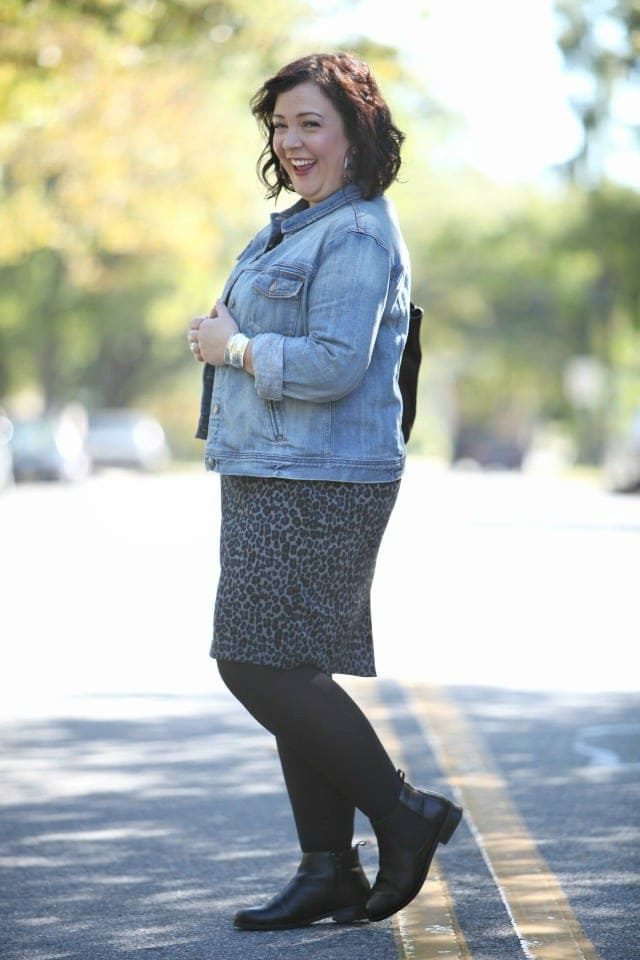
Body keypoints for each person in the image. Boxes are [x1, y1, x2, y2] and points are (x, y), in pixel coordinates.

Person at [187, 52, 462, 931]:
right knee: (290, 665)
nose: (292, 140)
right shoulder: (300, 226)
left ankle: (403, 813)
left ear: (356, 132)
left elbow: (339, 365)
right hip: (274, 469)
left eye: (311, 123)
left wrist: (233, 349)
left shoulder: (355, 233)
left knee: (258, 662)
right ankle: (327, 870)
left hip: (319, 479)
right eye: (281, 124)